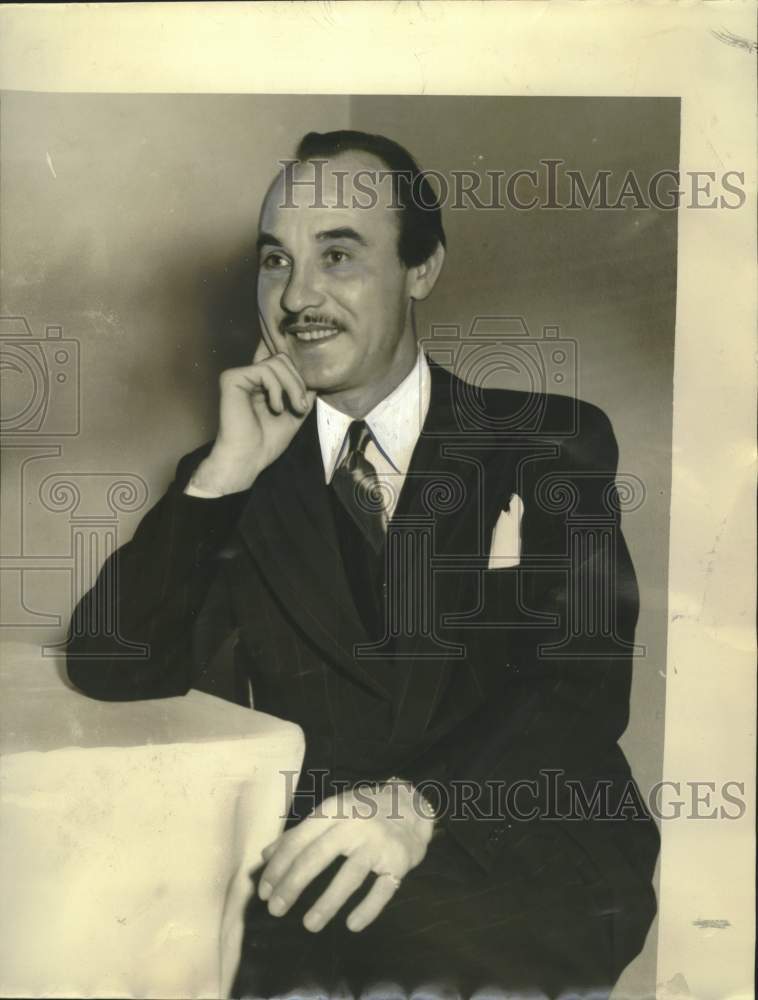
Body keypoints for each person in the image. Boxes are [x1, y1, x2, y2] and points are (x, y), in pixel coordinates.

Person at [67, 130, 659, 999]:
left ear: (422, 269)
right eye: (277, 261)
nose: (297, 295)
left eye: (338, 254)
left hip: (521, 849)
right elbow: (112, 665)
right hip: (327, 872)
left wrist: (415, 805)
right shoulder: (240, 473)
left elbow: (582, 683)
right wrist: (224, 475)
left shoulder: (547, 438)